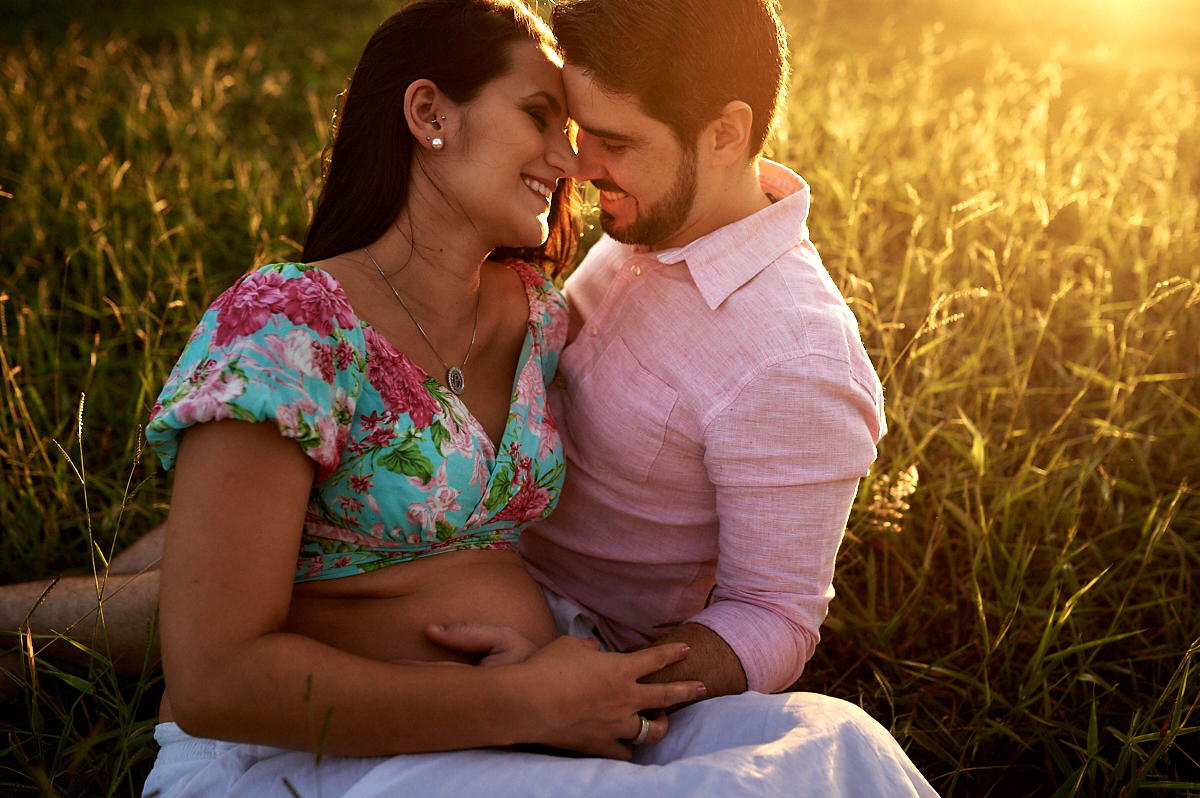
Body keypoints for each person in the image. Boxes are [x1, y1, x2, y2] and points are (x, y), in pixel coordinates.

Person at [3, 0, 939, 795]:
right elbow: (217, 669)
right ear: (428, 114)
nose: (575, 165)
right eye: (552, 121)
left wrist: (595, 691)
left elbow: (772, 609)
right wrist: (532, 699)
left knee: (841, 746)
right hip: (340, 756)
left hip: (545, 699)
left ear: (725, 133)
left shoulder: (576, 315)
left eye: (603, 140)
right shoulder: (292, 326)